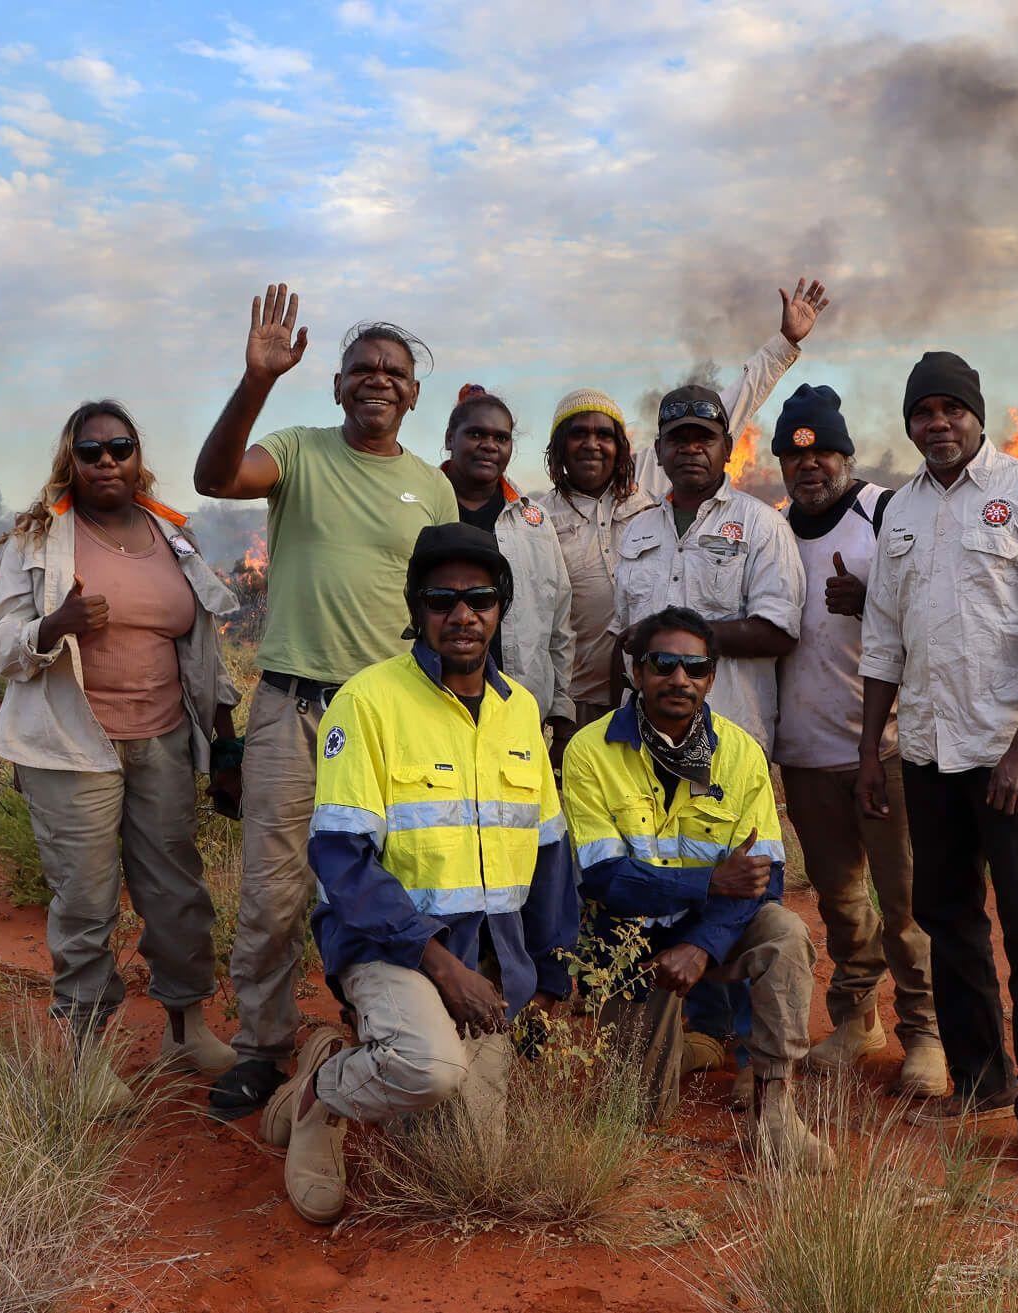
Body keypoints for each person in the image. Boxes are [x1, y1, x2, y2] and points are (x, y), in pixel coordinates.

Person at [190, 285, 460, 1118]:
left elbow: (443, 608)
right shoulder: (298, 451)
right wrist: (257, 379)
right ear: (337, 385)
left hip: (386, 719)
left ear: (414, 394)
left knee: (385, 881)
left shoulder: (433, 490)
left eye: (394, 371)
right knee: (273, 893)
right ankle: (264, 1048)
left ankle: (376, 1032)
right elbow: (215, 474)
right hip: (294, 710)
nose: (378, 379)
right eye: (362, 369)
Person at [263, 524, 578, 1225]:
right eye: (441, 598)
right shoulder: (369, 701)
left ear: (501, 607)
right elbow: (343, 859)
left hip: (486, 956)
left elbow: (549, 851)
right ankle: (322, 1093)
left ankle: (374, 1054)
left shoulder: (520, 708)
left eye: (479, 598)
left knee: (473, 1166)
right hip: (391, 945)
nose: (461, 614)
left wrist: (551, 971)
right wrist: (439, 963)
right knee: (431, 1070)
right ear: (416, 608)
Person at [856, 352, 1018, 1182]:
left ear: (978, 416)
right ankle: (982, 1078)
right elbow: (883, 639)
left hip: (1008, 753)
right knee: (947, 917)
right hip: (927, 751)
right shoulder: (901, 513)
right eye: (924, 412)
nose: (938, 424)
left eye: (952, 409)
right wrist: (869, 752)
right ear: (910, 423)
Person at [0, 399, 242, 1103]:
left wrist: (224, 745)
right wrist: (54, 623)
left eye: (120, 449)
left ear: (138, 458)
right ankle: (84, 1055)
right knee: (87, 902)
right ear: (70, 458)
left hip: (162, 738)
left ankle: (186, 1028)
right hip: (72, 748)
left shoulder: (170, 535)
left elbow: (203, 648)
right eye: (92, 450)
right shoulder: (37, 540)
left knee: (177, 891)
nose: (107, 462)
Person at [561, 607, 833, 1173]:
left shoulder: (740, 753)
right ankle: (681, 1048)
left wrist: (702, 946)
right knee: (636, 1112)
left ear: (711, 678)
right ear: (637, 672)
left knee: (784, 932)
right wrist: (709, 879)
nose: (679, 678)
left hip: (716, 932)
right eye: (663, 664)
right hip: (628, 939)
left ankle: (774, 1110)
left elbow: (767, 881)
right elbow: (604, 879)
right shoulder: (589, 752)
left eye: (695, 667)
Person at [542, 277, 831, 727]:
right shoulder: (540, 519)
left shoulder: (653, 492)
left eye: (604, 435)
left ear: (626, 448)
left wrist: (784, 344)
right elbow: (619, 637)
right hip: (581, 701)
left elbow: (732, 405)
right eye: (577, 435)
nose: (592, 446)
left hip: (729, 726)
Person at [770, 384, 946, 1098]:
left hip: (889, 750)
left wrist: (870, 601)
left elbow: (938, 604)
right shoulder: (774, 531)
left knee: (905, 902)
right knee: (840, 899)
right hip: (806, 752)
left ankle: (927, 1031)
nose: (809, 468)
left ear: (846, 454)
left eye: (824, 453)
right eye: (794, 455)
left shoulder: (887, 515)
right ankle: (855, 1019)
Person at [609, 387, 805, 753]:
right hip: (641, 740)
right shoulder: (638, 529)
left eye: (704, 438)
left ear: (728, 449)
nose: (690, 449)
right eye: (678, 440)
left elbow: (779, 633)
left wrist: (672, 640)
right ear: (659, 452)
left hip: (730, 738)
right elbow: (621, 639)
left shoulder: (762, 525)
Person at [439, 384, 575, 745]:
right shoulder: (422, 509)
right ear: (451, 437)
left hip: (518, 711)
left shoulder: (534, 520)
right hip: (432, 705)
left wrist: (561, 710)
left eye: (501, 437)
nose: (489, 445)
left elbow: (559, 620)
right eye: (476, 434)